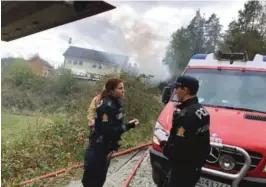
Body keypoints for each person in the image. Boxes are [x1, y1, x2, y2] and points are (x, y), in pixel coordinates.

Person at [81, 78, 140, 187]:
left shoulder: (116, 104)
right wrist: (128, 126)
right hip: (98, 149)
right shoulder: (106, 107)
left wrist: (128, 125)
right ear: (111, 90)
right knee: (91, 181)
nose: (123, 90)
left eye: (123, 88)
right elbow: (108, 131)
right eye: (120, 88)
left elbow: (115, 126)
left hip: (106, 149)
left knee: (100, 180)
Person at [160, 75, 211, 187]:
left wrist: (165, 146)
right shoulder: (202, 111)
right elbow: (202, 142)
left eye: (177, 88)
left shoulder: (187, 115)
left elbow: (179, 147)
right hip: (194, 167)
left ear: (185, 90)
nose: (175, 91)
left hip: (182, 169)